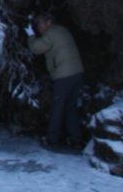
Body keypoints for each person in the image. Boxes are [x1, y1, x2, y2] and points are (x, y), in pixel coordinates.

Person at [28, 12, 87, 151]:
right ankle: (77, 141)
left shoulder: (52, 32)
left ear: (50, 22)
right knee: (70, 109)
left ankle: (52, 140)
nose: (39, 27)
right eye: (38, 24)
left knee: (58, 108)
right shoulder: (63, 30)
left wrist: (30, 35)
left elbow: (36, 48)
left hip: (64, 75)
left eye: (41, 23)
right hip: (76, 74)